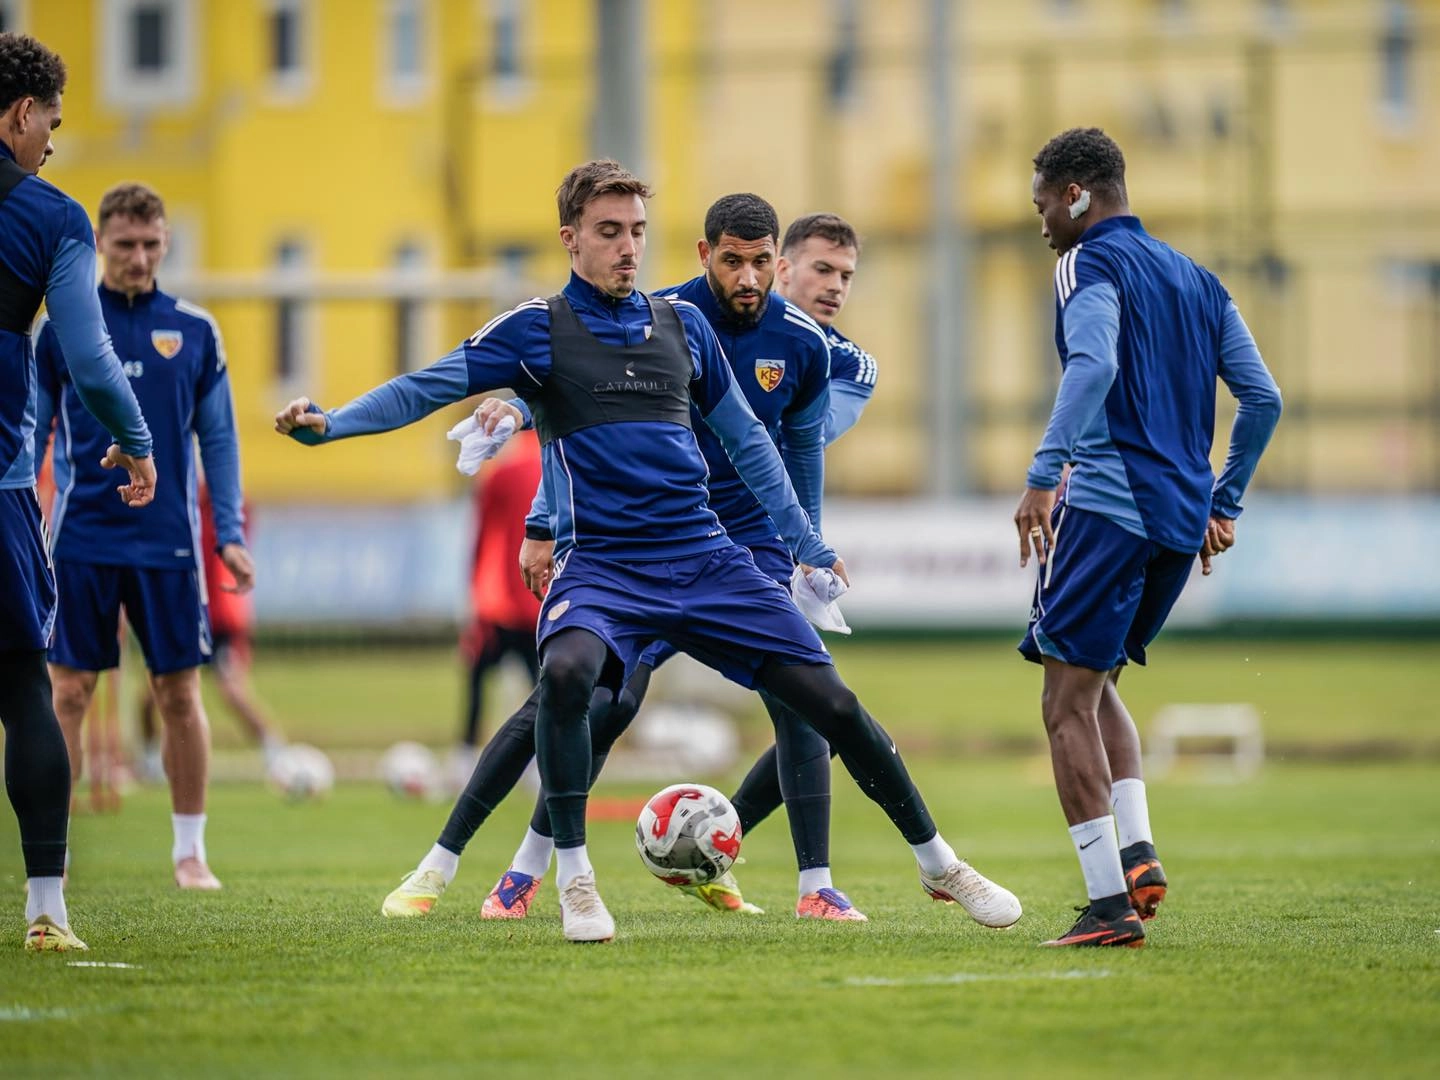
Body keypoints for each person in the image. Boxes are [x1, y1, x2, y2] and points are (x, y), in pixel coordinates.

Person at [279, 159, 1019, 943]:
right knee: (569, 677)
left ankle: (939, 864)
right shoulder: (535, 328)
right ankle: (572, 879)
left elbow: (751, 442)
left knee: (830, 705)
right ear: (570, 239)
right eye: (609, 231)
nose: (628, 246)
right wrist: (334, 424)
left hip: (707, 558)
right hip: (604, 567)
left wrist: (807, 543)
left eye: (636, 230)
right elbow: (424, 386)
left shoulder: (682, 327)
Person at [383, 196, 867, 924]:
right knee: (595, 702)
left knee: (811, 708)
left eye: (847, 275)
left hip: (747, 548)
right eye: (821, 270)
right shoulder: (666, 314)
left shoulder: (830, 356)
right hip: (651, 542)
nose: (833, 287)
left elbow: (801, 447)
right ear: (783, 265)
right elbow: (578, 397)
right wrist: (521, 434)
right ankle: (513, 868)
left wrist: (809, 553)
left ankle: (807, 883)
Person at [1014, 128, 1282, 948]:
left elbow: (1092, 366)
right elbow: (1263, 398)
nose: (1042, 224)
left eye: (1043, 205)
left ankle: (1107, 908)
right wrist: (1222, 502)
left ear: (1076, 195)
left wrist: (1042, 474)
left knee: (1064, 702)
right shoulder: (1198, 279)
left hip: (1106, 505)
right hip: (1177, 520)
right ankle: (1136, 854)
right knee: (1098, 686)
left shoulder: (1085, 263)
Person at [35, 181, 250, 892]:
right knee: (68, 693)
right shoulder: (62, 327)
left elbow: (218, 440)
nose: (138, 257)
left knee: (178, 693)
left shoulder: (196, 331)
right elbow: (32, 431)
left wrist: (230, 533)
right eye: (125, 244)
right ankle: (54, 852)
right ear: (100, 243)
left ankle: (190, 852)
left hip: (168, 544)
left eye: (151, 244)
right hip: (81, 539)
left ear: (166, 243)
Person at [0, 32, 156, 951]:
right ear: (20, 115)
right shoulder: (52, 217)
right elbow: (91, 361)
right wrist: (137, 444)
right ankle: (47, 911)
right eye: (50, 123)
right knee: (23, 684)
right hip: (1, 487)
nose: (51, 142)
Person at [136, 482, 284, 781]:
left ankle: (274, 749)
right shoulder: (176, 501)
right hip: (182, 613)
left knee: (232, 690)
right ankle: (151, 759)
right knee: (153, 694)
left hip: (221, 617)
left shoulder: (227, 507)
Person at [455, 428, 542, 777]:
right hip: (542, 602)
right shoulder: (561, 468)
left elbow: (483, 537)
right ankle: (539, 763)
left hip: (501, 604)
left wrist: (474, 595)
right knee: (544, 688)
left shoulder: (502, 473)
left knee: (477, 677)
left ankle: (465, 756)